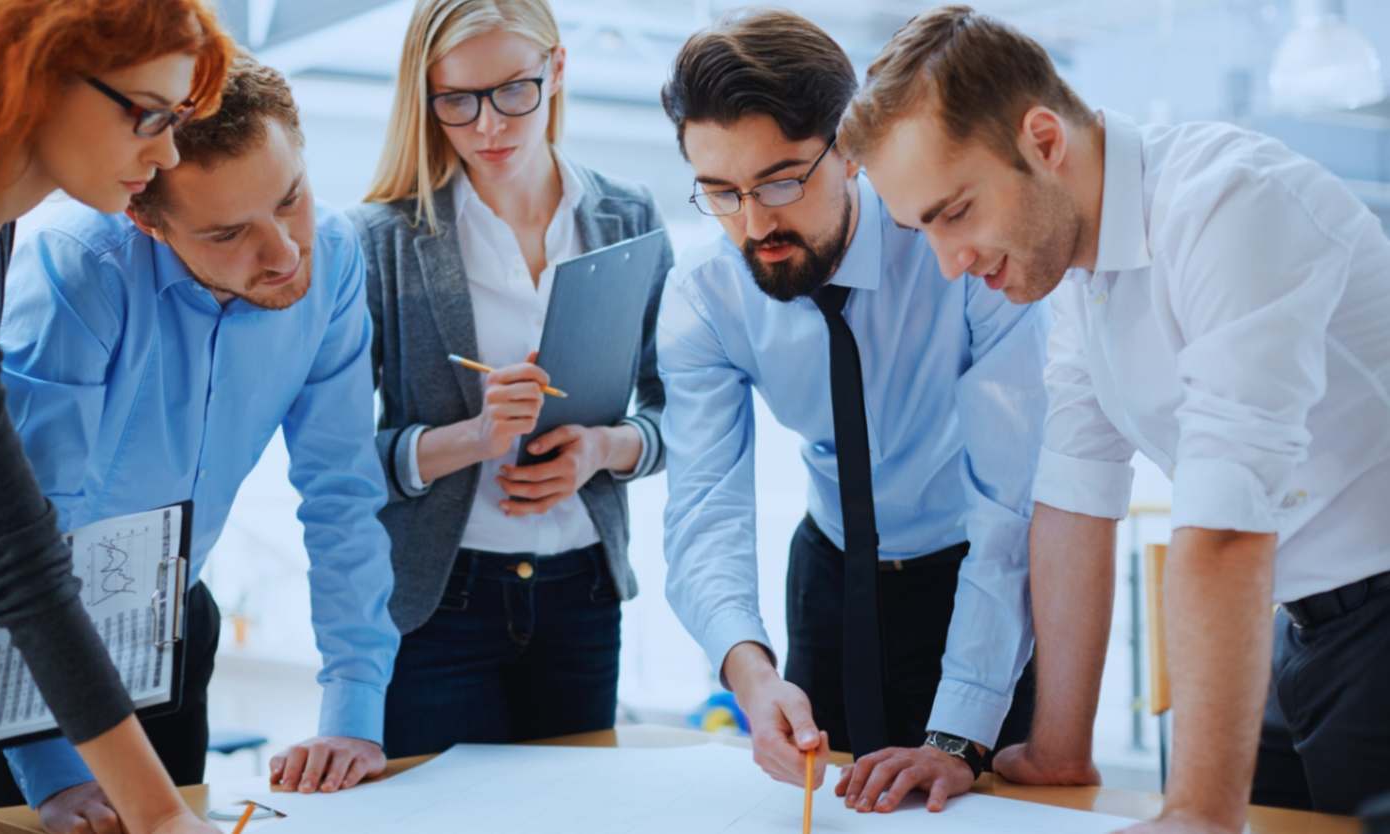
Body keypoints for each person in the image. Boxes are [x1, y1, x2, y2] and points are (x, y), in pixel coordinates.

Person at [841, 4, 1390, 831]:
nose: (949, 263)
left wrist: (1197, 813)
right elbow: (1072, 498)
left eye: (954, 213)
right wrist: (1058, 746)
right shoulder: (1080, 272)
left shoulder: (1227, 205)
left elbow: (1227, 522)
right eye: (921, 229)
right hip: (1303, 627)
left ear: (1042, 139)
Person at [0, 55, 401, 834]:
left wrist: (353, 710)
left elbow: (342, 491)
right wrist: (54, 776)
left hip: (171, 628)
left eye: (289, 199)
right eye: (228, 233)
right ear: (143, 215)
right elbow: (21, 533)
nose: (284, 254)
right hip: (20, 662)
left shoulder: (333, 257)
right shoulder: (76, 268)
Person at [656, 8, 1047, 816]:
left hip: (977, 573)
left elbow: (1011, 502)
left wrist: (957, 736)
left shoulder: (958, 245)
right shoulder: (705, 296)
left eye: (781, 180)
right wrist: (749, 670)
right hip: (830, 577)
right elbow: (704, 508)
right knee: (834, 812)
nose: (755, 223)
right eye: (721, 192)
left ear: (851, 148)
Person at [0, 2, 232, 832]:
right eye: (149, 114)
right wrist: (160, 815)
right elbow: (22, 560)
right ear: (35, 73)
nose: (164, 152)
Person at [348, 0, 671, 757]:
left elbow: (678, 412)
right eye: (457, 101)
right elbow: (336, 461)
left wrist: (603, 450)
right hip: (439, 603)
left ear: (557, 69)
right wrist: (472, 438)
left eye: (512, 91)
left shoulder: (626, 216)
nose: (488, 126)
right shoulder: (381, 240)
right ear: (424, 98)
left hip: (584, 594)